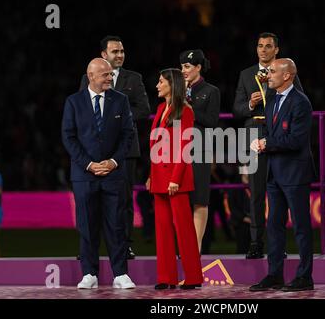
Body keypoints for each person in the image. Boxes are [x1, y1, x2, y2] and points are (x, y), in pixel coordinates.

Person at [62, 58, 135, 289]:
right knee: (86, 224)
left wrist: (113, 162)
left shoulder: (120, 100)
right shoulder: (73, 102)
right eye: (105, 74)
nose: (109, 78)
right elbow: (68, 137)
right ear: (91, 76)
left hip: (113, 174)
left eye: (110, 75)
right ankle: (89, 273)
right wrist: (89, 164)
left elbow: (127, 135)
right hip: (85, 175)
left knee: (116, 225)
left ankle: (121, 274)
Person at [80, 35, 151, 259]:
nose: (119, 55)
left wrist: (116, 117)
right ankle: (89, 249)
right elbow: (82, 109)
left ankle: (125, 245)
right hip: (94, 153)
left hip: (125, 151)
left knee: (124, 199)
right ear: (103, 55)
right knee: (91, 200)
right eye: (114, 52)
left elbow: (144, 109)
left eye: (122, 51)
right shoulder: (88, 78)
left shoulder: (134, 78)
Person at [233, 32, 303, 259]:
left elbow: (297, 100)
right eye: (260, 45)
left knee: (279, 193)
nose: (263, 50)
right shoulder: (245, 75)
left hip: (278, 138)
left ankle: (278, 244)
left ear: (276, 50)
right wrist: (251, 105)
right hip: (254, 137)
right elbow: (237, 109)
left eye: (268, 46)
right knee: (255, 193)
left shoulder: (285, 71)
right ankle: (255, 243)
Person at [250, 58, 315, 292]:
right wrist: (265, 142)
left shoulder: (301, 102)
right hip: (274, 173)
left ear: (287, 75)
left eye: (272, 71)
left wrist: (267, 143)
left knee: (300, 225)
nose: (268, 75)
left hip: (295, 172)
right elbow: (271, 131)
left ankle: (305, 276)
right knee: (274, 226)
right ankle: (274, 274)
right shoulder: (271, 102)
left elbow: (297, 140)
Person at [146, 68, 203, 290]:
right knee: (162, 229)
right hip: (159, 177)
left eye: (161, 82)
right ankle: (166, 277)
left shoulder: (185, 111)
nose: (157, 85)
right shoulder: (161, 108)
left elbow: (184, 147)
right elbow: (155, 145)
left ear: (172, 84)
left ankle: (193, 277)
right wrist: (152, 175)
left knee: (184, 229)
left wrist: (175, 179)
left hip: (175, 179)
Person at [180, 49, 220, 253]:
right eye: (182, 67)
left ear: (198, 67)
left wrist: (189, 109)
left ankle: (194, 249)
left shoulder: (211, 91)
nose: (183, 70)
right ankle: (181, 247)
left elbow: (212, 121)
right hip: (176, 151)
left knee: (200, 200)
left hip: (200, 151)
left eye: (187, 66)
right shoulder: (175, 89)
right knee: (180, 202)